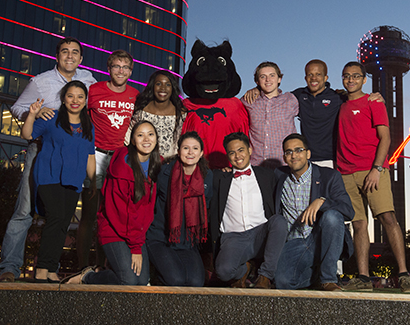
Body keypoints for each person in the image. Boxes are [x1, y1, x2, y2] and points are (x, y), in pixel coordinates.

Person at [0, 37, 96, 282]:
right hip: (42, 150)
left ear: (81, 58)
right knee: (24, 210)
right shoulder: (40, 82)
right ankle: (10, 268)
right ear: (57, 56)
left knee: (62, 217)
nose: (70, 56)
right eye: (65, 52)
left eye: (75, 52)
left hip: (73, 156)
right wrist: (36, 111)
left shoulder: (88, 81)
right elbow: (17, 108)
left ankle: (49, 267)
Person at [336, 61, 410, 293]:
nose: (351, 80)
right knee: (358, 225)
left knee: (388, 218)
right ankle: (363, 278)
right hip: (345, 173)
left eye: (355, 76)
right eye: (346, 76)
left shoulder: (373, 102)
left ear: (364, 79)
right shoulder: (340, 102)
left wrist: (377, 169)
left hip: (372, 170)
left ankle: (403, 274)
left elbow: (386, 138)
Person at [67, 120, 161, 285]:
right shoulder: (121, 167)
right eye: (140, 135)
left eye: (150, 134)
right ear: (132, 140)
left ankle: (110, 269)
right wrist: (136, 248)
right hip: (114, 229)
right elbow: (118, 213)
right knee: (129, 281)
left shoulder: (157, 165)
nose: (146, 139)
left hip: (136, 233)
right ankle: (88, 277)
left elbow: (146, 210)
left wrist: (137, 242)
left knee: (143, 283)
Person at [243, 59, 382, 169]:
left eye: (318, 74)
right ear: (305, 77)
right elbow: (269, 89)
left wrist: (376, 97)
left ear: (326, 77)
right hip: (306, 160)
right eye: (310, 74)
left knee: (330, 201)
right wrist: (255, 89)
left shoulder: (337, 97)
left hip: (333, 159)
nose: (314, 78)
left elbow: (357, 100)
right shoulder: (297, 96)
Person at [21, 81, 95, 282]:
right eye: (70, 96)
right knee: (55, 218)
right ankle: (42, 269)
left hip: (73, 180)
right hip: (49, 176)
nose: (75, 100)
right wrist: (32, 114)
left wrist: (93, 182)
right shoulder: (51, 117)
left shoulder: (88, 126)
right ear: (63, 98)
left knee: (63, 223)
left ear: (85, 100)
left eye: (80, 96)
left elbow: (90, 156)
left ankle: (52, 268)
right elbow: (27, 134)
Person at [78, 50, 138, 269]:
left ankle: (104, 267)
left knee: (112, 217)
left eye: (125, 67)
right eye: (116, 66)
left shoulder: (135, 95)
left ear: (131, 71)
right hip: (96, 155)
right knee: (89, 214)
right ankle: (82, 267)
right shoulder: (94, 91)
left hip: (122, 159)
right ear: (108, 68)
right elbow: (76, 116)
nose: (120, 71)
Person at [274, 133, 354, 291]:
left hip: (320, 237)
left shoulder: (329, 176)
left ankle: (328, 279)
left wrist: (322, 201)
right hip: (294, 242)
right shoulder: (279, 176)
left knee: (332, 216)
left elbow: (348, 211)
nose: (293, 155)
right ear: (284, 157)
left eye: (298, 150)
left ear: (308, 153)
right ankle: (316, 276)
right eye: (288, 152)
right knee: (282, 282)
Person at [211, 132, 287, 289]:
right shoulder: (219, 178)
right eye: (232, 152)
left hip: (260, 233)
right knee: (223, 272)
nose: (237, 156)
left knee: (279, 221)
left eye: (241, 150)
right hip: (234, 237)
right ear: (227, 156)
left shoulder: (267, 175)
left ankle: (265, 276)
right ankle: (244, 270)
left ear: (250, 150)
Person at [145, 131, 212, 286]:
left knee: (195, 283)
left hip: (187, 242)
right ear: (178, 151)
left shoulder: (207, 176)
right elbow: (149, 204)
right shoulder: (163, 173)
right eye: (185, 148)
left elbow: (206, 206)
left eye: (195, 148)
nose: (190, 152)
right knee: (176, 280)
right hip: (161, 238)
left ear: (201, 153)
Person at [241, 62, 298, 169]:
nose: (268, 80)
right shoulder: (248, 101)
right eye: (263, 77)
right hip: (256, 165)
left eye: (272, 75)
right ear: (257, 81)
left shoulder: (291, 99)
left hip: (284, 164)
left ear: (279, 79)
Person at [125, 70, 186, 158]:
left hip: (169, 164)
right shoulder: (141, 111)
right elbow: (129, 138)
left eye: (168, 84)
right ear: (152, 86)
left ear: (173, 88)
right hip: (143, 161)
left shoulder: (181, 113)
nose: (163, 88)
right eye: (158, 84)